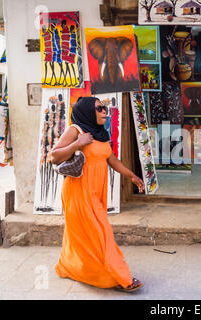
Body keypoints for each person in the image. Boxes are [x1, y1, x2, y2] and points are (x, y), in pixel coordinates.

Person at [50, 97, 145, 292]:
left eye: (105, 108)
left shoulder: (101, 133)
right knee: (102, 234)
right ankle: (120, 277)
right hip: (77, 193)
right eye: (99, 108)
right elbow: (53, 156)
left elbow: (112, 160)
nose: (105, 111)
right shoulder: (76, 130)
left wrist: (132, 176)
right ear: (86, 111)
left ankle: (71, 266)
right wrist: (77, 144)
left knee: (84, 237)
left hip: (95, 194)